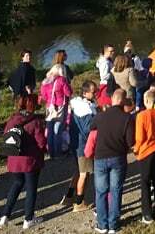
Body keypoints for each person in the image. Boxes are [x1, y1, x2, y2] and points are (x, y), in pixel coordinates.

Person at [0, 93, 46, 230]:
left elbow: (6, 136)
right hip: (30, 161)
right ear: (32, 105)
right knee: (31, 189)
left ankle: (5, 216)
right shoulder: (35, 121)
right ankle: (28, 219)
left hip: (14, 160)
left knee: (17, 184)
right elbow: (41, 143)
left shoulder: (12, 119)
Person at [91, 88, 135, 234]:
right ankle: (113, 224)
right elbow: (130, 142)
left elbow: (91, 129)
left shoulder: (100, 116)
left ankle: (102, 224)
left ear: (112, 100)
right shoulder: (127, 118)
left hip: (100, 157)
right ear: (123, 101)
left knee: (101, 191)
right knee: (116, 190)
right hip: (118, 157)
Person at [61, 80, 97, 212]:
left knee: (78, 171)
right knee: (84, 173)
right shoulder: (86, 110)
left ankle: (69, 196)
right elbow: (88, 128)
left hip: (75, 143)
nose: (95, 94)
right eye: (93, 92)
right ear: (85, 92)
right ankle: (79, 202)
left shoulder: (77, 105)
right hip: (84, 145)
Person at [135, 89, 155, 224]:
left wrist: (136, 149)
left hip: (146, 150)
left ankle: (147, 213)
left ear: (147, 101)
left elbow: (140, 137)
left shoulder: (142, 116)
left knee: (145, 181)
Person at [39, 63, 72, 158]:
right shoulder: (62, 80)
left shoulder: (46, 81)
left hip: (49, 107)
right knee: (57, 130)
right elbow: (68, 93)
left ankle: (51, 152)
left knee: (50, 131)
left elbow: (44, 96)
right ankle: (58, 152)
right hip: (60, 106)